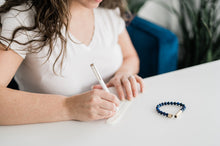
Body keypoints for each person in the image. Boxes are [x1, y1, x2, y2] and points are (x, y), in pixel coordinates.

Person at [0, 0, 144, 125]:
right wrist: (68, 107)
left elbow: (130, 57)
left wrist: (123, 74)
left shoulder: (108, 8)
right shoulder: (22, 19)